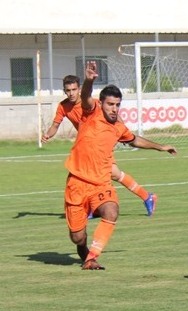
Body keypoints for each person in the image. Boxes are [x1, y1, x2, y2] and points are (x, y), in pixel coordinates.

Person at [65, 61, 177, 270]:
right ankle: (84, 250)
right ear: (101, 103)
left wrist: (160, 147)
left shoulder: (118, 127)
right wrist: (88, 80)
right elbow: (86, 96)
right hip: (77, 182)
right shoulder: (91, 112)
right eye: (110, 104)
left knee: (111, 210)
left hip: (100, 183)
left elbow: (134, 139)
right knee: (77, 237)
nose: (114, 109)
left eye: (118, 105)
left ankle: (92, 258)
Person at [42, 75, 158, 217]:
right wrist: (48, 134)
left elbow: (114, 117)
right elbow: (55, 125)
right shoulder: (63, 106)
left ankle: (92, 208)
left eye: (74, 89)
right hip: (88, 148)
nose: (71, 93)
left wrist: (121, 131)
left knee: (94, 175)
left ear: (79, 89)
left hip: (101, 145)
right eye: (68, 90)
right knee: (112, 174)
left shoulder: (93, 103)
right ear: (64, 91)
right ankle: (146, 197)